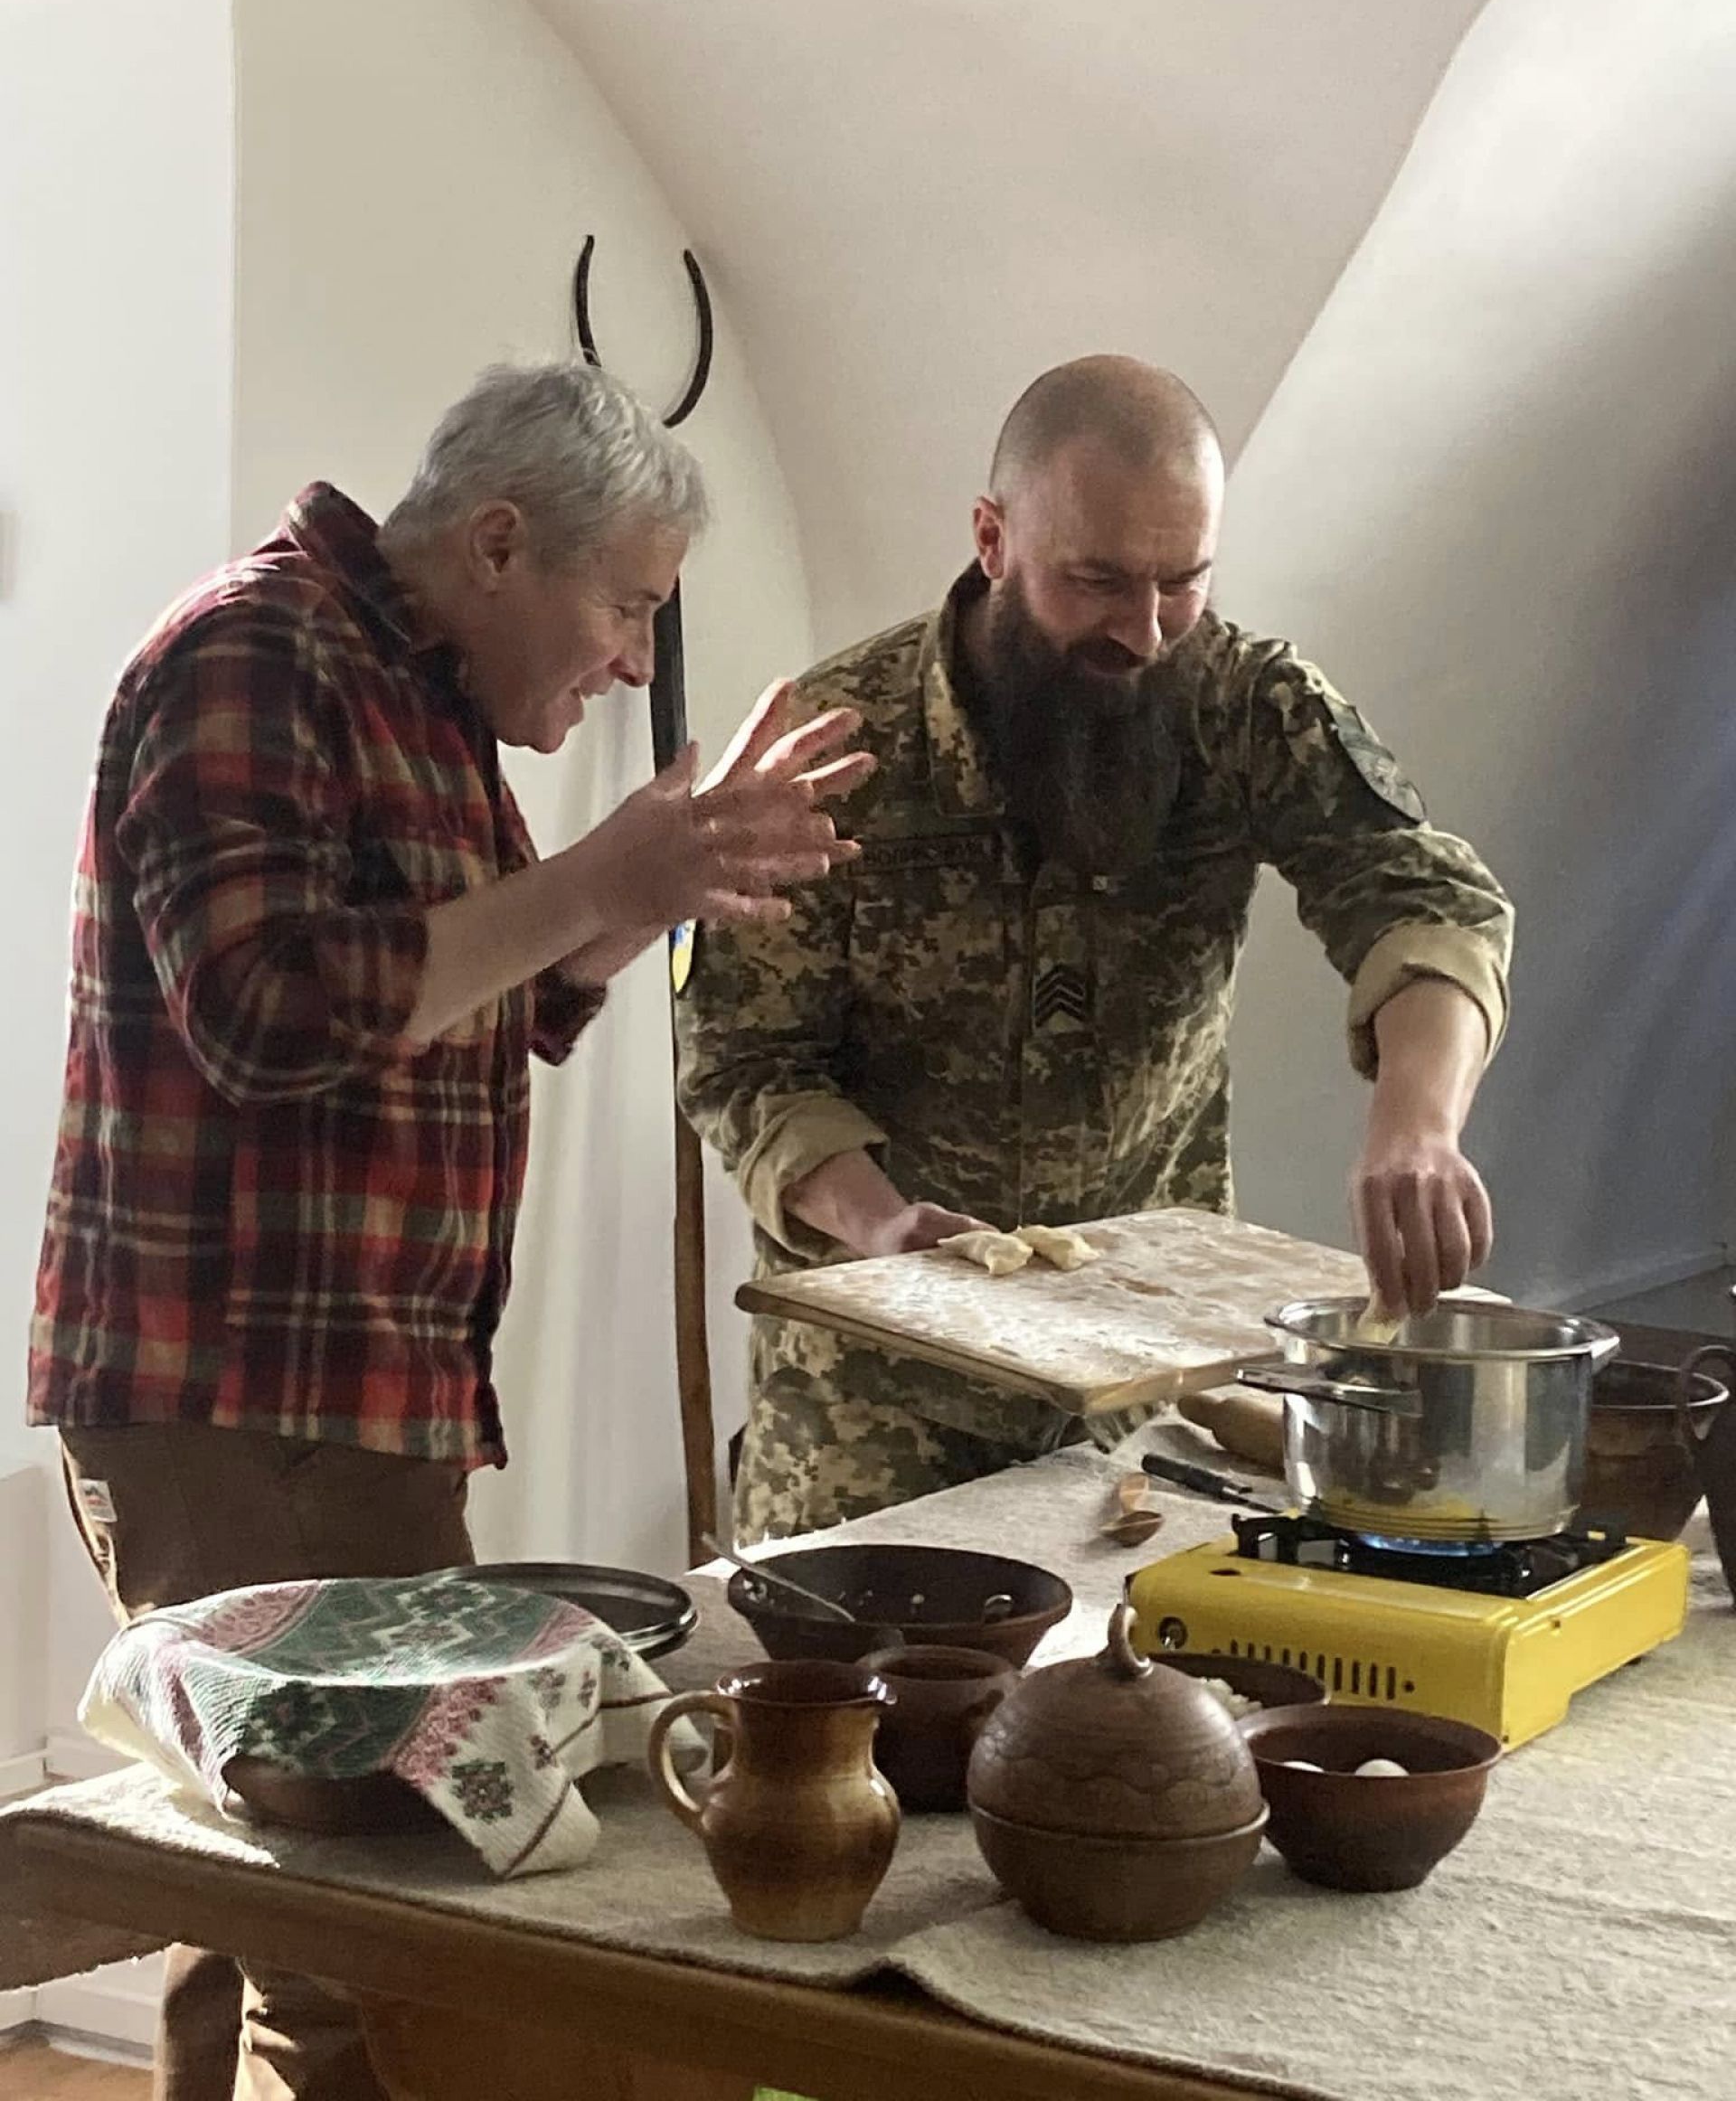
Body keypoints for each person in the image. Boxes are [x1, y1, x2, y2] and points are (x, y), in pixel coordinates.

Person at [25, 358, 870, 2101]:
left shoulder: (414, 695)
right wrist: (604, 878)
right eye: (624, 606)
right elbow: (268, 1010)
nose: (631, 657)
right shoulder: (252, 656)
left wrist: (655, 891)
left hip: (359, 1403)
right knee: (353, 1933)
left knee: (259, 1883)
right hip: (232, 1396)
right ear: (497, 544)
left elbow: (499, 997)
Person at [677, 355, 1513, 1544]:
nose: (1146, 630)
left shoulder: (1242, 704)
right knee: (863, 1660)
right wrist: (885, 1229)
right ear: (992, 539)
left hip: (1154, 1377)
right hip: (878, 1396)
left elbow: (1418, 895)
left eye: (1184, 582)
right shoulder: (836, 748)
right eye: (1099, 582)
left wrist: (1417, 1128)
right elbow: (746, 1061)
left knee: (1159, 1662)